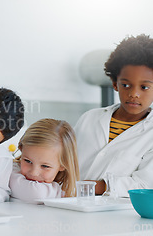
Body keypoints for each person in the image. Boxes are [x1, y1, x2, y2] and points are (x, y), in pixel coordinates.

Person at [75, 34, 153, 197]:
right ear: (114, 83)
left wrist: (92, 187)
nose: (134, 94)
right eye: (126, 85)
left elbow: (144, 184)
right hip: (68, 204)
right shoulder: (89, 118)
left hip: (117, 215)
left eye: (144, 87)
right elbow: (62, 158)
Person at [9, 119, 79, 203]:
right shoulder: (9, 170)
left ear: (63, 165)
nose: (34, 173)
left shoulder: (67, 186)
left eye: (45, 166)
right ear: (21, 149)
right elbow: (37, 194)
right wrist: (57, 192)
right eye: (28, 161)